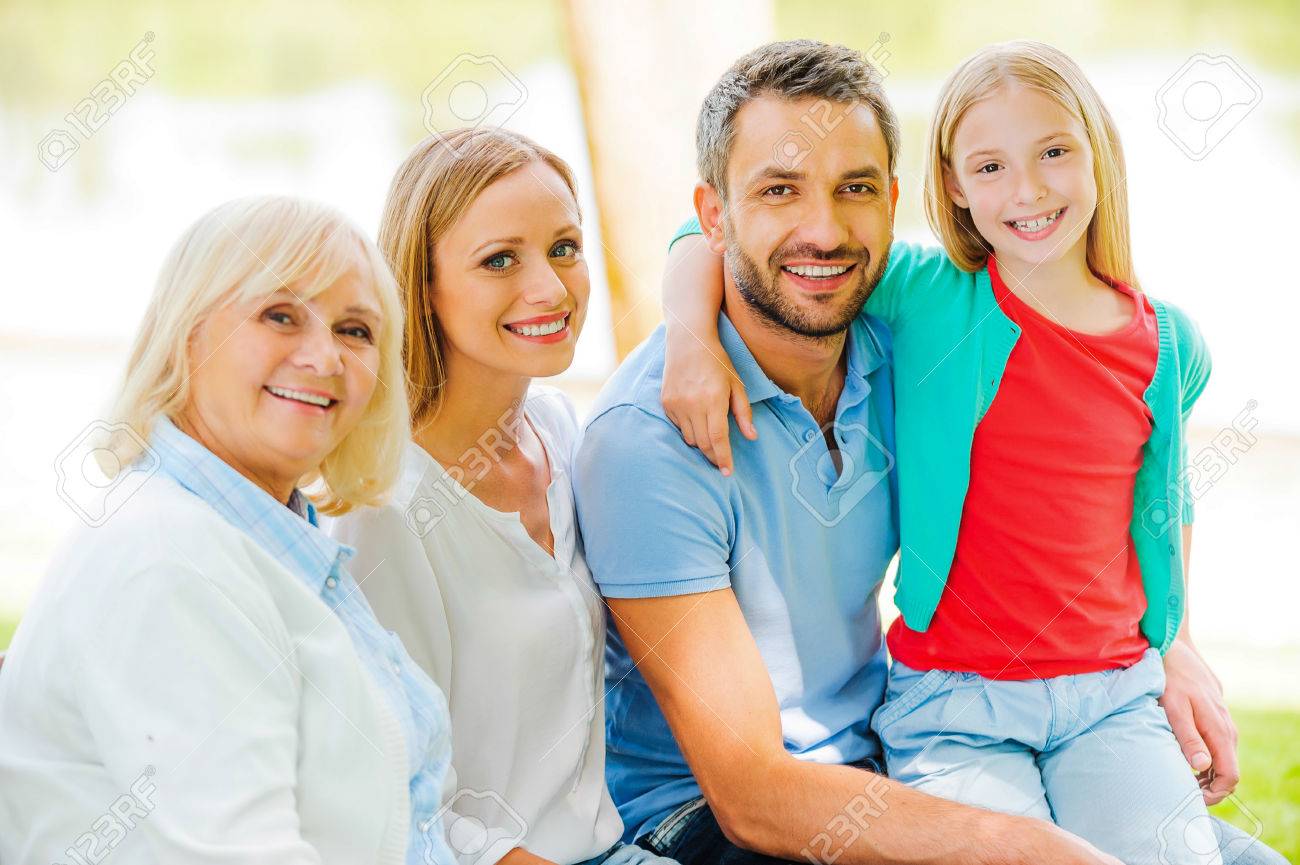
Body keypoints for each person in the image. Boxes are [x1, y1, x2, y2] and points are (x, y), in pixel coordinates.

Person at [659, 40, 1284, 865]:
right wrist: (688, 339)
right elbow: (703, 232)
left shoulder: (1170, 346)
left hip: (1110, 699)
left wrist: (1178, 638)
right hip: (955, 704)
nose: (1026, 190)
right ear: (952, 185)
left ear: (1098, 151)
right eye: (988, 167)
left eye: (1053, 152)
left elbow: (1163, 505)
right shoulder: (926, 296)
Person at [573, 40, 1129, 865]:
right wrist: (1027, 848)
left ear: (896, 200)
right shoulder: (647, 441)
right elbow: (754, 796)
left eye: (855, 189)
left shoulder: (907, 347)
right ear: (715, 214)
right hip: (705, 821)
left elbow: (1102, 476)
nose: (825, 230)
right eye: (779, 191)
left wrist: (1171, 646)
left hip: (891, 756)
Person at [0, 196, 457, 865]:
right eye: (280, 315)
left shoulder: (265, 537)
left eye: (355, 330)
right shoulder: (167, 561)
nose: (324, 356)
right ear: (187, 333)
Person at [330, 129, 676, 865]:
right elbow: (395, 790)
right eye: (499, 260)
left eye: (564, 246)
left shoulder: (560, 434)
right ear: (421, 285)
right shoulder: (383, 507)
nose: (550, 288)